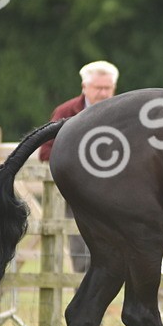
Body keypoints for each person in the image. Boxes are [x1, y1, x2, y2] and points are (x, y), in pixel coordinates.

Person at [38, 60, 120, 273]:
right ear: (84, 87)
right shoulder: (66, 112)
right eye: (98, 88)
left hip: (115, 192)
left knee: (118, 248)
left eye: (108, 88)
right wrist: (83, 162)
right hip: (78, 193)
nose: (104, 93)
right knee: (82, 249)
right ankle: (83, 288)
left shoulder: (123, 112)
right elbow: (45, 152)